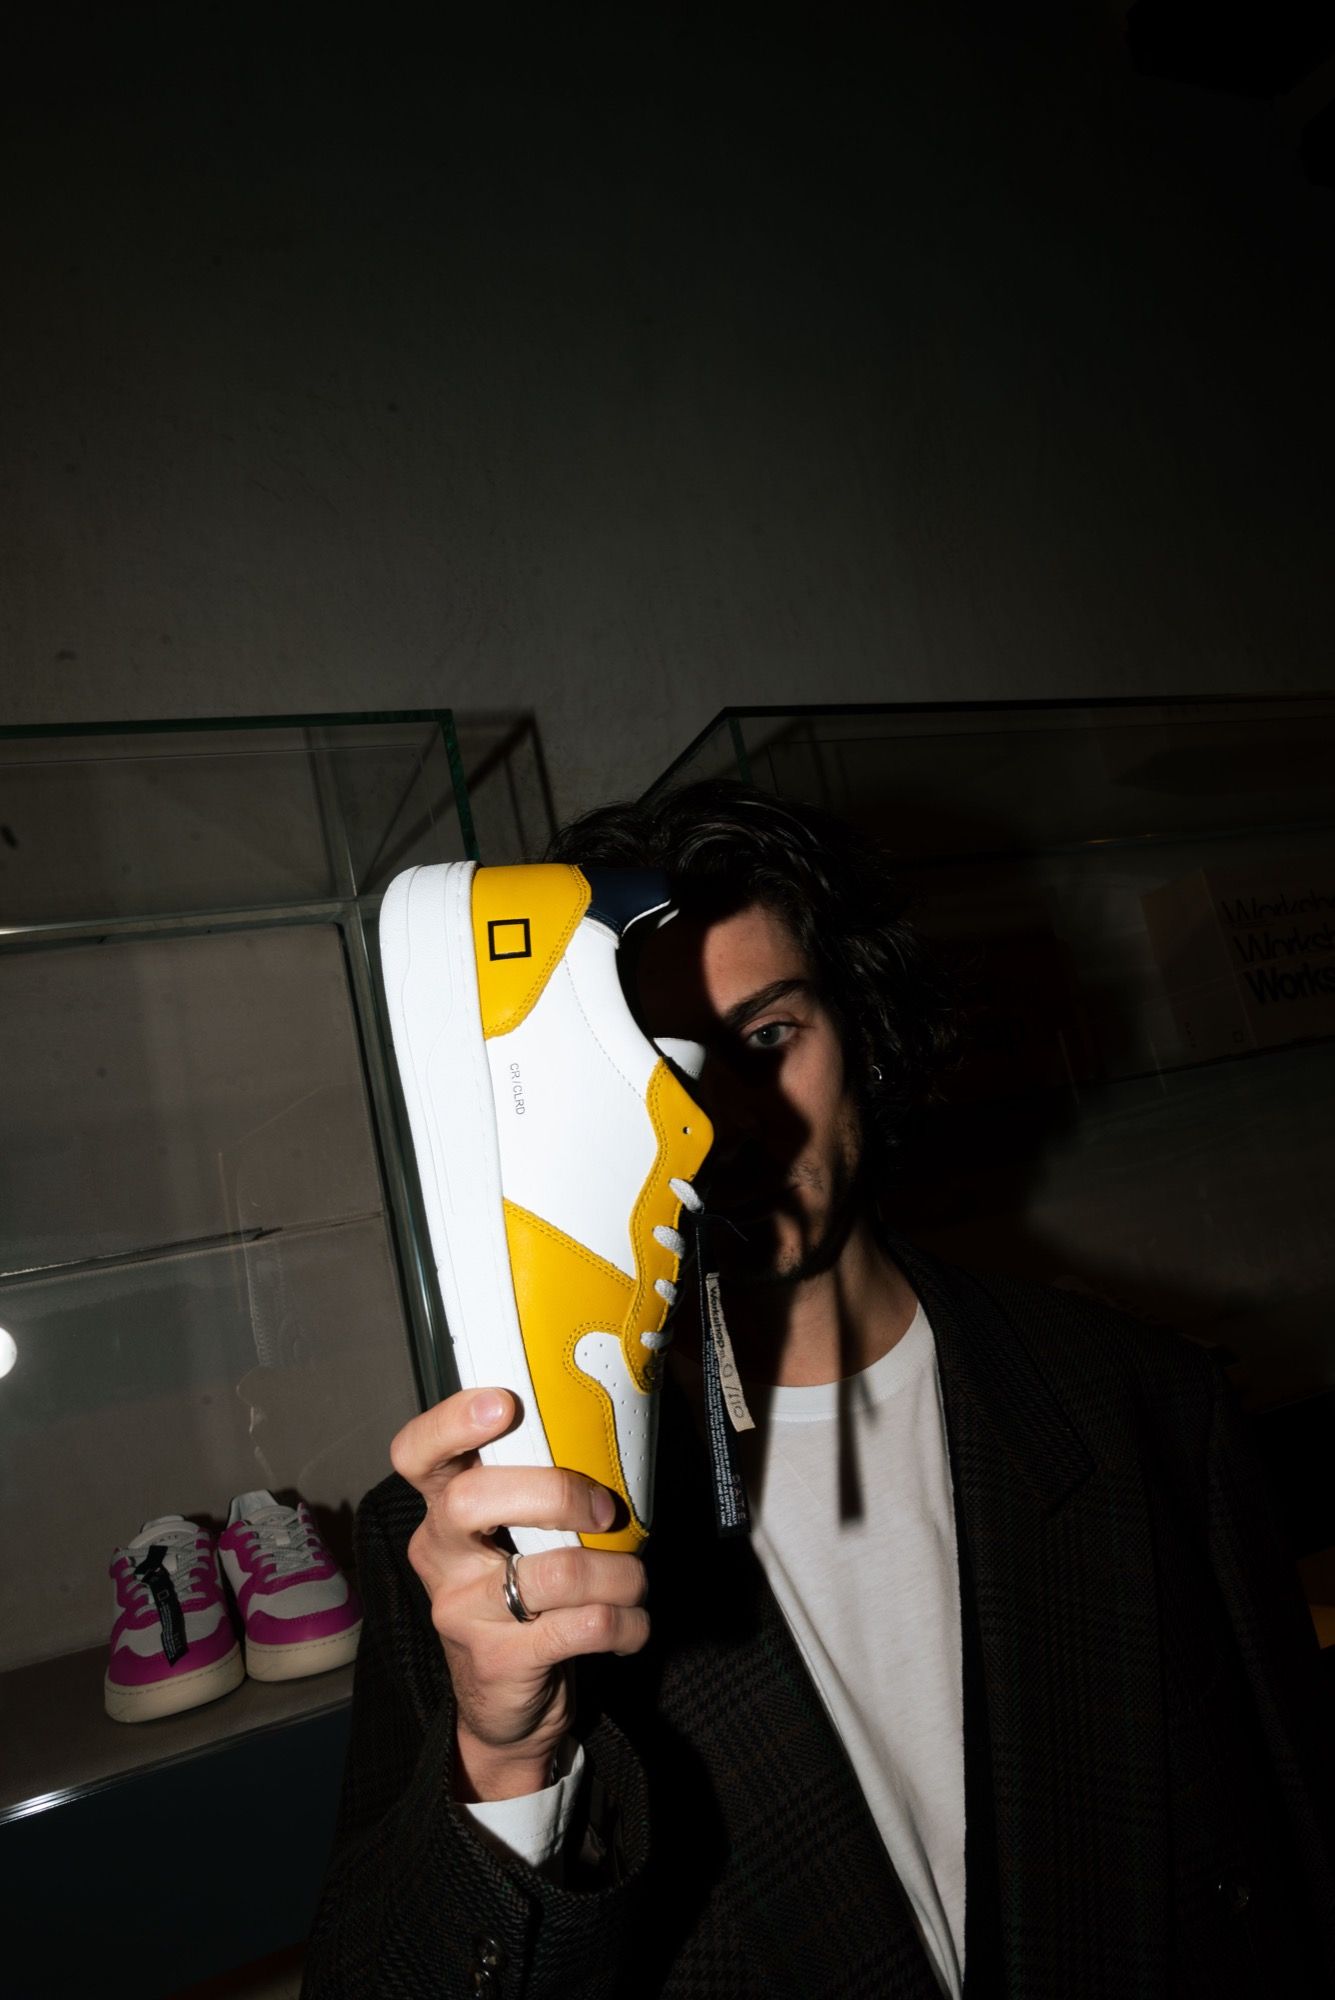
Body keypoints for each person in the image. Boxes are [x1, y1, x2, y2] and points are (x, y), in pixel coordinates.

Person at [303, 783, 1335, 1998]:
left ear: (867, 1030)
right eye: (664, 1065)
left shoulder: (1145, 1406)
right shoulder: (478, 1533)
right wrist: (504, 1758)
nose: (712, 1123)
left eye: (768, 1037)